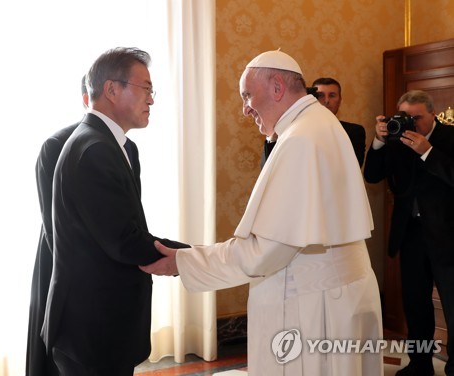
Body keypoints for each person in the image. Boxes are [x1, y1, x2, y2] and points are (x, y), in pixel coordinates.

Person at [141, 50, 383, 375]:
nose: (245, 109)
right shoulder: (320, 123)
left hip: (313, 307)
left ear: (277, 88)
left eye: (247, 96)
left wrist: (182, 261)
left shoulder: (300, 139)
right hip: (340, 294)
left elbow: (264, 253)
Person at [40, 47, 188, 376]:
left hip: (102, 323)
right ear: (111, 89)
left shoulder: (108, 144)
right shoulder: (94, 150)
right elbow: (124, 240)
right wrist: (198, 259)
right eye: (146, 88)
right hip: (92, 327)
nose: (152, 99)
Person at [364, 90, 454, 376]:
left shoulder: (450, 137)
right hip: (411, 234)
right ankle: (419, 364)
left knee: (453, 306)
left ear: (432, 114)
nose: (412, 123)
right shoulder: (395, 138)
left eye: (417, 118)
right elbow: (372, 175)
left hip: (448, 236)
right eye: (406, 117)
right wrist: (379, 141)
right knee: (415, 306)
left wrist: (427, 151)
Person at [25, 75, 89, 376]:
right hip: (60, 262)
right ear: (88, 99)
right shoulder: (55, 145)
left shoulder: (127, 147)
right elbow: (54, 226)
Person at [260, 77, 366, 168]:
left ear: (340, 100)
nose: (326, 101)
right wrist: (273, 137)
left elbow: (353, 168)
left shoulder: (353, 132)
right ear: (311, 98)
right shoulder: (294, 129)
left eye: (332, 95)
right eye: (320, 95)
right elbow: (268, 169)